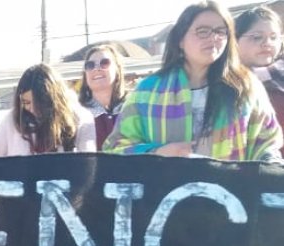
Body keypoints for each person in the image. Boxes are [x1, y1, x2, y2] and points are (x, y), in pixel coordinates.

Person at [105, 1, 283, 160]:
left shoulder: (247, 87)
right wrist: (158, 152)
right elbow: (114, 150)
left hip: (230, 193)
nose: (213, 38)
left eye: (220, 32)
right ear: (181, 39)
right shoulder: (147, 90)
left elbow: (268, 145)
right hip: (165, 193)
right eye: (202, 31)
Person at [0, 63, 97, 156]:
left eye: (39, 103)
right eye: (26, 103)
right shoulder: (13, 119)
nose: (32, 108)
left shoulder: (81, 118)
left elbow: (87, 163)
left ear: (55, 99)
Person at [235, 6, 284, 128]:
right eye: (257, 37)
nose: (267, 43)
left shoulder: (280, 75)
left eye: (273, 37)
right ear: (234, 41)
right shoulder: (227, 82)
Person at [79, 45, 129, 149]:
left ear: (117, 69)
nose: (97, 69)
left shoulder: (132, 107)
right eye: (90, 65)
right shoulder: (77, 114)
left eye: (104, 63)